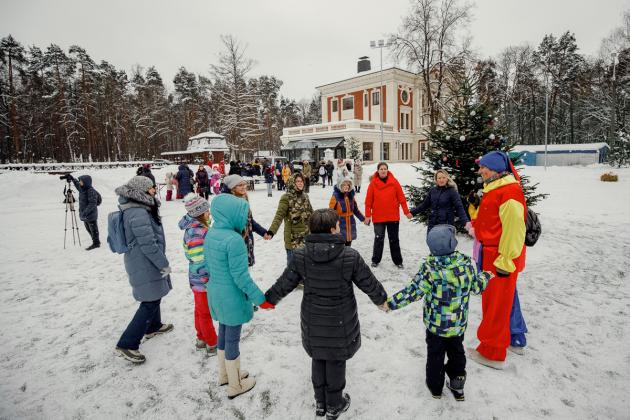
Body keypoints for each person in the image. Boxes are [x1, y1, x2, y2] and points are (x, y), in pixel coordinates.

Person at [264, 209, 388, 419]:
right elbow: (368, 282)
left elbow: (285, 283)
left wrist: (269, 300)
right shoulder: (349, 255)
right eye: (338, 225)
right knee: (336, 360)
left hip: (313, 319)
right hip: (340, 321)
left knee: (319, 356)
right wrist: (381, 299)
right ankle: (334, 403)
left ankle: (320, 401)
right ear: (332, 230)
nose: (339, 228)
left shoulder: (301, 255)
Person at [386, 225, 491, 401]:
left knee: (435, 354)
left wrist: (391, 303)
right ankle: (457, 385)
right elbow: (477, 287)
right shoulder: (466, 266)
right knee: (457, 352)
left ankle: (435, 387)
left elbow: (413, 291)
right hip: (457, 324)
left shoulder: (430, 269)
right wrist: (486, 276)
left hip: (435, 325)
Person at [203, 194, 274, 399]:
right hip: (231, 296)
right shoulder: (234, 240)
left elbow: (208, 265)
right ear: (231, 214)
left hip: (216, 292)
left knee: (224, 332)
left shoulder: (212, 233)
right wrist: (261, 299)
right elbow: (241, 278)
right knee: (233, 337)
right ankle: (235, 385)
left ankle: (225, 374)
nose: (245, 220)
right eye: (243, 215)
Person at [471, 151, 527, 369]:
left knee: (496, 306)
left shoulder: (509, 192)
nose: (480, 171)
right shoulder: (497, 189)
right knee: (495, 303)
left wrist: (506, 259)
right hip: (492, 253)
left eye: (484, 167)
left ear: (495, 168)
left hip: (499, 257)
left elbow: (514, 230)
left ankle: (492, 353)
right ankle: (503, 341)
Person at [114, 176, 173, 364]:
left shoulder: (141, 207)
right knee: (150, 300)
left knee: (154, 294)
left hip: (144, 260)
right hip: (144, 261)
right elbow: (148, 244)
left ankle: (153, 326)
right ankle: (127, 343)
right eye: (152, 188)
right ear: (142, 191)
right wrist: (163, 263)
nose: (155, 190)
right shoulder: (137, 212)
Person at [178, 193, 218, 355]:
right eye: (207, 210)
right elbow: (197, 257)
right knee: (205, 312)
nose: (209, 213)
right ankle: (211, 342)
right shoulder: (196, 232)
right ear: (199, 213)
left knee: (200, 310)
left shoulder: (200, 228)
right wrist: (208, 276)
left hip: (198, 279)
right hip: (202, 279)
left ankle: (201, 337)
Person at [364, 162, 412, 269]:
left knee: (394, 239)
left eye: (385, 168)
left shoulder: (394, 182)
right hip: (378, 217)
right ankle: (375, 260)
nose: (383, 170)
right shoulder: (373, 184)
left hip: (393, 216)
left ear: (387, 170)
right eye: (381, 169)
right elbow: (368, 201)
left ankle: (398, 261)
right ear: (378, 171)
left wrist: (406, 212)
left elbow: (401, 198)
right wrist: (367, 216)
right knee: (378, 239)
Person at [221, 175, 270, 267]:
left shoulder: (243, 199)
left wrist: (263, 232)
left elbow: (249, 221)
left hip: (247, 242)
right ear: (232, 188)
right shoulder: (227, 204)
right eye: (240, 185)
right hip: (235, 245)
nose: (244, 187)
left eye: (244, 184)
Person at [267, 173, 313, 265]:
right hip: (293, 240)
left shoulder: (305, 196)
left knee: (305, 266)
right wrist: (272, 231)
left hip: (306, 237)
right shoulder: (286, 197)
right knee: (293, 269)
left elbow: (312, 213)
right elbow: (279, 215)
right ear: (292, 183)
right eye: (297, 181)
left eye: (301, 181)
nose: (300, 183)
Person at [409, 169, 472, 234]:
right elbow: (424, 205)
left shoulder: (452, 191)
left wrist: (465, 221)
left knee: (445, 243)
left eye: (443, 177)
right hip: (433, 223)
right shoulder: (432, 191)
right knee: (433, 243)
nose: (441, 180)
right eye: (439, 178)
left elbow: (459, 207)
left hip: (446, 224)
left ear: (447, 178)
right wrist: (412, 212)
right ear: (436, 179)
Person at [68, 174, 102, 250]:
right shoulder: (82, 188)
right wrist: (73, 179)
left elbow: (92, 203)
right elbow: (77, 184)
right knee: (88, 229)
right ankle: (95, 241)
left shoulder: (91, 191)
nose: (80, 182)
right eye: (80, 181)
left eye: (81, 181)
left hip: (91, 214)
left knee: (93, 230)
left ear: (86, 182)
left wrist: (85, 212)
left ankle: (96, 243)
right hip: (85, 214)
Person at [329, 178, 365, 246]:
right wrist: (333, 226)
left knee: (348, 244)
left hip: (350, 224)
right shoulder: (335, 197)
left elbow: (356, 210)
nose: (346, 186)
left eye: (348, 185)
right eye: (344, 185)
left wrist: (364, 219)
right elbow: (331, 213)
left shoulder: (351, 197)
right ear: (340, 185)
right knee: (340, 245)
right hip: (340, 225)